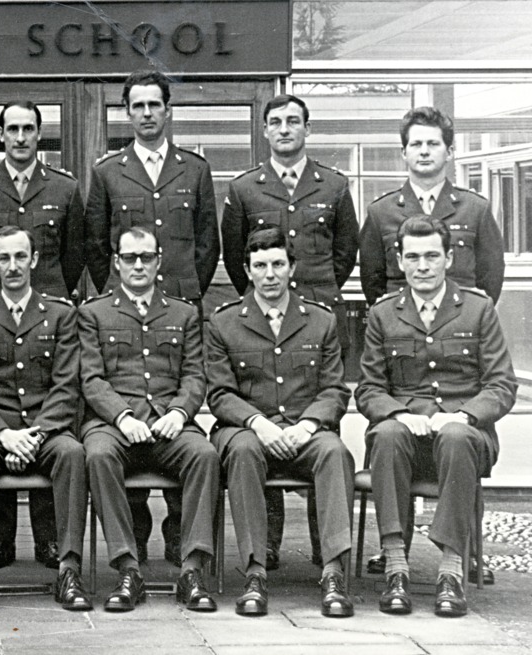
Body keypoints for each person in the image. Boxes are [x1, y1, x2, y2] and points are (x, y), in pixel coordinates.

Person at [85, 69, 220, 565]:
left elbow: (208, 244)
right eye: (137, 105)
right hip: (122, 313)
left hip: (175, 307)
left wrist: (183, 289)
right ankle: (134, 540)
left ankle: (180, 538)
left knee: (176, 430)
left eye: (154, 105)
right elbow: (98, 245)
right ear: (127, 112)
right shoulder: (107, 171)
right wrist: (116, 296)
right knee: (127, 432)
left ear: (168, 111)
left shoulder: (195, 169)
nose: (146, 114)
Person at [221, 94, 359, 570]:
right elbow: (239, 259)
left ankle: (328, 549)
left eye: (293, 121)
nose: (284, 129)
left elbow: (345, 253)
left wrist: (312, 298)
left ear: (307, 128)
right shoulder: (244, 189)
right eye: (276, 122)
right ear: (264, 130)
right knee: (263, 419)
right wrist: (262, 301)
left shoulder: (336, 186)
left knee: (323, 432)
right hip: (261, 322)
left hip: (315, 320)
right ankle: (270, 543)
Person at [356, 216, 516, 618]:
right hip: (405, 440)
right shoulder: (383, 314)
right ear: (400, 261)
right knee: (388, 434)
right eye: (413, 257)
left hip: (463, 440)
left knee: (457, 438)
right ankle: (396, 565)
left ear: (448, 258)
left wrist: (463, 415)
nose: (422, 266)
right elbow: (369, 388)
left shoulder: (478, 311)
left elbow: (501, 385)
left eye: (431, 256)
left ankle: (451, 568)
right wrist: (398, 413)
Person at [0, 101, 85, 570]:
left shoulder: (66, 188)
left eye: (29, 128)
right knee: (2, 397)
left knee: (45, 410)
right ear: (0, 134)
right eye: (12, 128)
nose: (21, 136)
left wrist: (48, 294)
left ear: (39, 134)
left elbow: (74, 258)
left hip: (45, 315)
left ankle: (52, 543)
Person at [205, 225, 355, 617]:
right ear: (247, 270)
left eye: (277, 264)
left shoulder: (320, 321)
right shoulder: (224, 323)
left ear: (292, 268)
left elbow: (335, 389)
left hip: (306, 431)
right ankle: (255, 572)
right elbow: (219, 393)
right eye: (260, 266)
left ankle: (334, 571)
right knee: (241, 450)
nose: (269, 275)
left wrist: (306, 426)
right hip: (248, 432)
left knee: (335, 452)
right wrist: (258, 423)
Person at [80, 226, 219, 613]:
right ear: (116, 263)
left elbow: (195, 375)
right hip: (115, 427)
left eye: (146, 257)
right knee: (97, 456)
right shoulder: (93, 313)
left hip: (169, 425)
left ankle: (192, 569)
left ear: (159, 261)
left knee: (205, 455)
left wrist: (178, 411)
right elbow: (91, 379)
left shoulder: (184, 313)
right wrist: (122, 417)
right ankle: (128, 569)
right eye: (129, 258)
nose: (138, 265)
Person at [0, 226, 89, 613]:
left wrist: (34, 435)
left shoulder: (62, 315)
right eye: (4, 258)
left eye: (20, 257)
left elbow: (67, 386)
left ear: (33, 260)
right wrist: (5, 434)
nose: (12, 266)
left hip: (45, 431)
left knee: (73, 453)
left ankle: (68, 569)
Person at [360, 107, 504, 305]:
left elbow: (491, 278)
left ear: (450, 152)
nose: (424, 151)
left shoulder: (476, 209)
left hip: (460, 325)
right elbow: (372, 282)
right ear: (404, 152)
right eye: (416, 144)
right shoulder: (380, 213)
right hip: (402, 325)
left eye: (433, 144)